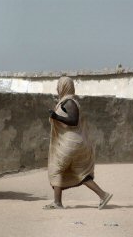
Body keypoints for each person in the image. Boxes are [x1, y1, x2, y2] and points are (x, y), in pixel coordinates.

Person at [44, 77, 112, 210]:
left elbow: (73, 120)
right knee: (80, 172)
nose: (57, 88)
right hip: (75, 142)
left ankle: (57, 203)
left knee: (56, 169)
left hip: (70, 143)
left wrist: (55, 116)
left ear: (64, 87)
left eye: (59, 85)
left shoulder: (69, 102)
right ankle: (103, 195)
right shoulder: (68, 102)